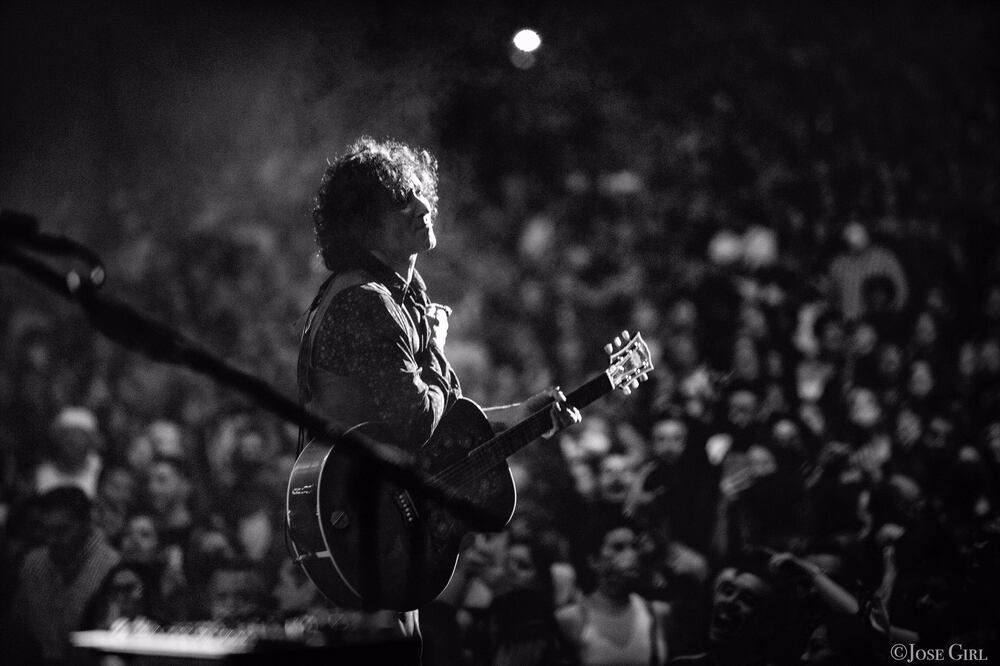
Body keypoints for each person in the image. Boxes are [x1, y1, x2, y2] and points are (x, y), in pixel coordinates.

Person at [299, 137, 580, 638]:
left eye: (418, 193)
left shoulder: (401, 294)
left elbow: (428, 423)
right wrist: (434, 340)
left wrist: (517, 415)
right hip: (363, 535)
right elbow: (418, 419)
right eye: (401, 201)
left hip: (386, 528)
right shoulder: (366, 301)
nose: (424, 206)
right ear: (364, 224)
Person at [4, 486, 121, 663]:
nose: (52, 539)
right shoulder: (33, 563)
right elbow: (19, 625)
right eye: (47, 530)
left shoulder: (112, 567)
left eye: (61, 530)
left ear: (86, 523)